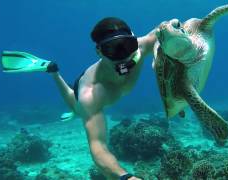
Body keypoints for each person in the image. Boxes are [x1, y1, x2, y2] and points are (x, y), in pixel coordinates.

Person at [48, 17, 156, 180]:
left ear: (134, 40)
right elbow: (98, 146)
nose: (123, 57)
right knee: (74, 106)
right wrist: (125, 177)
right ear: (99, 51)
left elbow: (171, 30)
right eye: (111, 49)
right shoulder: (90, 94)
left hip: (108, 90)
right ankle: (53, 72)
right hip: (84, 89)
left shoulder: (143, 45)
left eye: (127, 46)